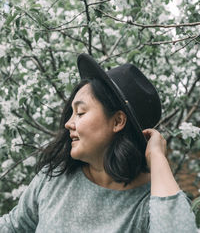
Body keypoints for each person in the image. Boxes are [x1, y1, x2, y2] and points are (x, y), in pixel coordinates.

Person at [0, 53, 197, 233]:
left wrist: (157, 158)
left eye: (81, 113)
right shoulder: (54, 178)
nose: (69, 123)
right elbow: (12, 227)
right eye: (71, 113)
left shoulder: (149, 204)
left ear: (118, 121)